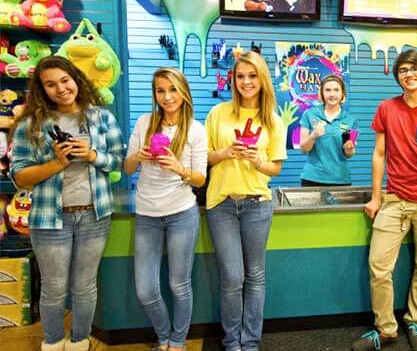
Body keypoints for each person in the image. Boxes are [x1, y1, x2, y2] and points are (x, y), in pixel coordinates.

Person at [10, 56, 124, 351]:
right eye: (50, 84)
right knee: (53, 289)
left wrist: (92, 155)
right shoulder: (31, 125)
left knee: (85, 286)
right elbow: (20, 177)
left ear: (75, 79)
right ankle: (52, 342)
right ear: (41, 89)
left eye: (64, 80)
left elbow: (118, 160)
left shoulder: (101, 118)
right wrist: (57, 163)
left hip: (94, 216)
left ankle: (79, 342)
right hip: (50, 219)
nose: (60, 89)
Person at [351, 49, 417, 351]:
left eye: (414, 69)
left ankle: (416, 322)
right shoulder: (387, 108)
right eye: (403, 70)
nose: (409, 74)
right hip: (395, 198)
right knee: (379, 266)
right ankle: (385, 329)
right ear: (398, 76)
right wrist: (375, 197)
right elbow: (379, 154)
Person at [204, 51, 287, 351]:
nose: (246, 82)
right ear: (233, 79)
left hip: (257, 203)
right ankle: (231, 342)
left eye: (252, 76)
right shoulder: (218, 113)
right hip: (222, 203)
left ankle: (249, 343)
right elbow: (204, 157)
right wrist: (225, 153)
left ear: (262, 79)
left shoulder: (273, 120)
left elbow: (275, 169)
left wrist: (258, 160)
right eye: (240, 76)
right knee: (232, 277)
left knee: (255, 276)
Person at [124, 67, 207, 351]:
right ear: (154, 94)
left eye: (173, 89)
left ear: (183, 92)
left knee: (178, 285)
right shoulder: (144, 123)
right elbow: (127, 168)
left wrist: (179, 168)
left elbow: (200, 178)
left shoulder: (196, 129)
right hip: (147, 215)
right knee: (145, 290)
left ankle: (177, 342)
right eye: (161, 90)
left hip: (182, 214)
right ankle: (163, 336)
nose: (167, 96)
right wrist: (138, 155)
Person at [299, 74, 357, 186]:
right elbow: (303, 149)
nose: (332, 94)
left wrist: (349, 148)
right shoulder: (309, 115)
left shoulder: (351, 120)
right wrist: (313, 136)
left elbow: (350, 154)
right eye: (328, 90)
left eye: (336, 90)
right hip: (312, 178)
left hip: (340, 179)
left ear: (342, 94)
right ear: (322, 93)